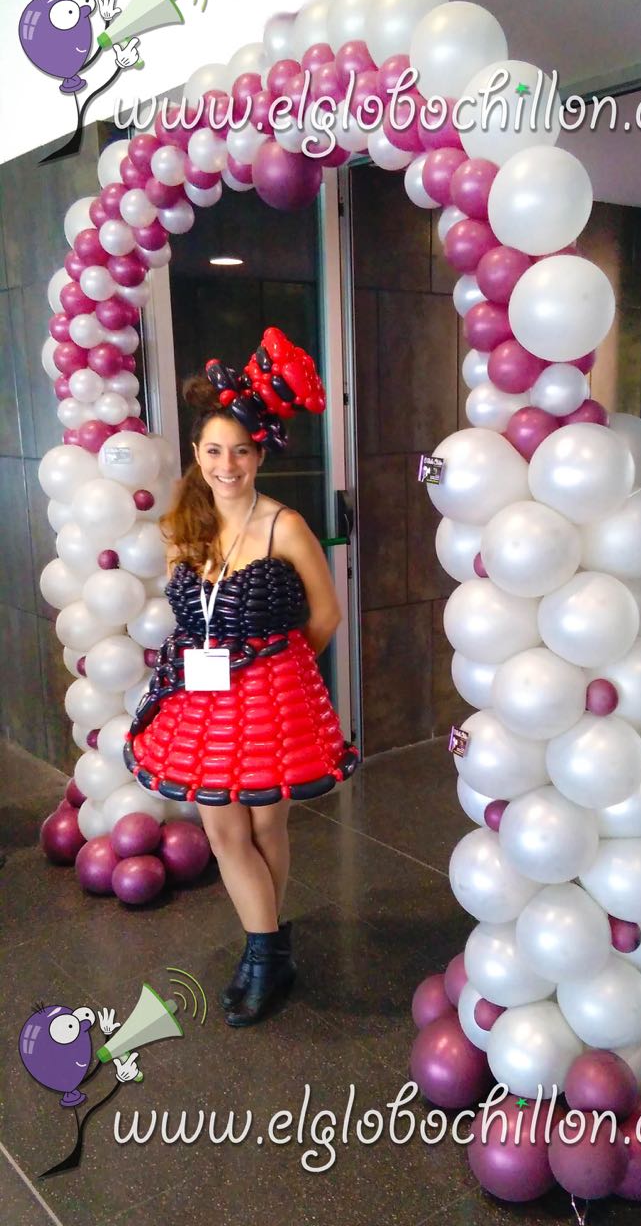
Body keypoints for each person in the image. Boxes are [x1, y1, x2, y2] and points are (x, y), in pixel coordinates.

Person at [123, 327, 359, 1027]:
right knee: (226, 831)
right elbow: (186, 612)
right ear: (197, 455)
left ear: (260, 455)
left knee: (265, 825)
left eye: (241, 451)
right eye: (214, 451)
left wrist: (281, 668)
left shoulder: (285, 525)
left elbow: (326, 613)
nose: (227, 465)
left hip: (269, 698)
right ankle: (266, 953)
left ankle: (268, 952)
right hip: (200, 695)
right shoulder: (181, 527)